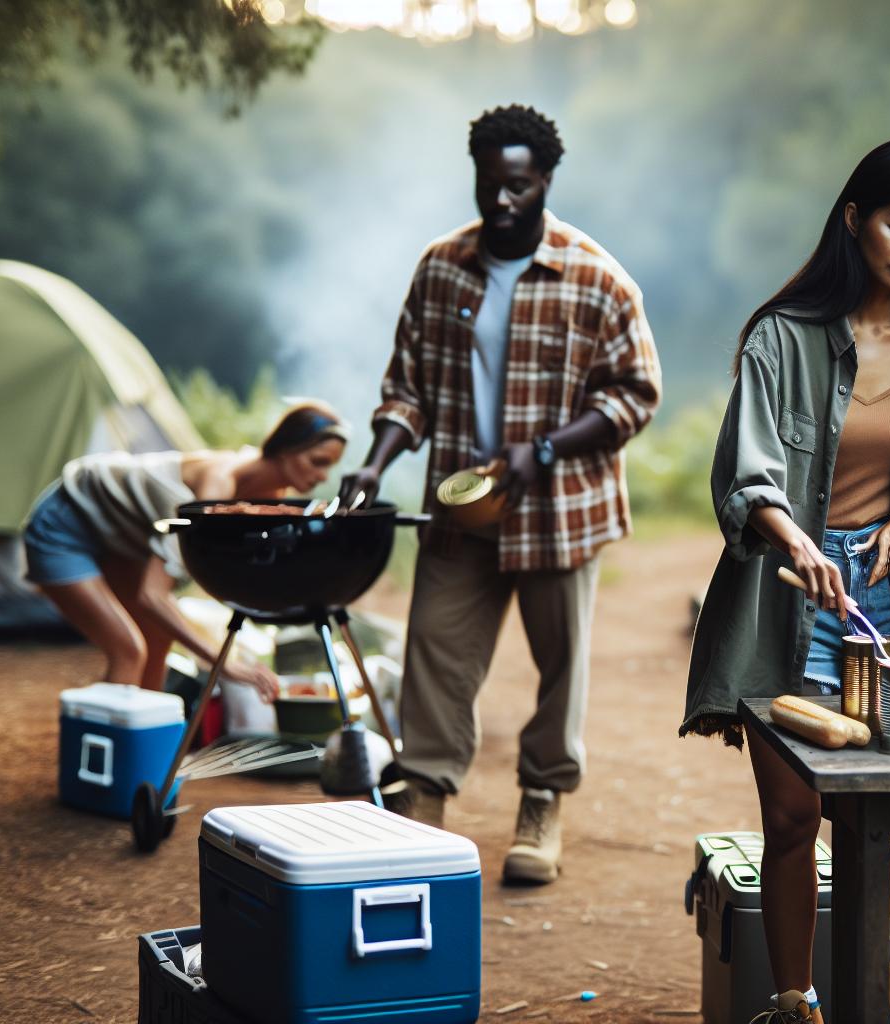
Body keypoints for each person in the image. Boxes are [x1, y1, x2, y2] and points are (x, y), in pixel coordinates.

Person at [685, 139, 890, 1024]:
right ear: (854, 219)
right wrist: (798, 541)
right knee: (794, 822)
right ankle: (797, 1005)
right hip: (786, 598)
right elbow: (746, 477)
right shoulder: (779, 340)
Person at [339, 104, 660, 885]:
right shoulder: (442, 267)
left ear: (545, 179)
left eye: (518, 185)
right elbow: (406, 388)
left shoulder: (597, 277)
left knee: (561, 666)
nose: (503, 201)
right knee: (436, 654)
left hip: (560, 511)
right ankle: (424, 800)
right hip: (462, 507)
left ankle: (542, 802)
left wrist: (544, 449)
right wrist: (375, 465)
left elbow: (634, 395)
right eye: (491, 184)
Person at [23, 402, 351, 699]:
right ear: (286, 449)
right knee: (129, 651)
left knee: (156, 639)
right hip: (63, 525)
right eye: (317, 461)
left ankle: (148, 752)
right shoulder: (215, 488)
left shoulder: (268, 489)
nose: (322, 476)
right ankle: (109, 757)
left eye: (329, 467)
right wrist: (222, 663)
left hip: (117, 535)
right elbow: (152, 595)